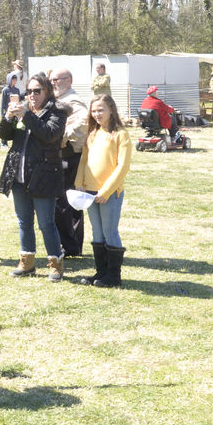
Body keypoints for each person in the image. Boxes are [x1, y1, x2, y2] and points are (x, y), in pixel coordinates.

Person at [0, 73, 67, 282]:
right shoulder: (24, 110)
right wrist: (9, 117)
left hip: (43, 176)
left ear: (47, 91)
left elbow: (49, 134)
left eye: (37, 91)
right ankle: (27, 263)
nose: (32, 95)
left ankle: (56, 264)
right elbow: (4, 135)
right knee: (24, 221)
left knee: (46, 223)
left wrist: (26, 116)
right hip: (19, 175)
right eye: (29, 91)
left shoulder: (57, 111)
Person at [74, 94, 132, 288]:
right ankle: (101, 272)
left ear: (111, 110)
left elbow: (122, 167)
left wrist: (105, 192)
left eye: (101, 110)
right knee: (97, 232)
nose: (97, 114)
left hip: (109, 194)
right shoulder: (93, 133)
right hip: (90, 193)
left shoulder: (121, 135)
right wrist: (79, 183)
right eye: (94, 110)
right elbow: (84, 161)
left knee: (109, 231)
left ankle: (114, 277)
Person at [49, 67, 89, 258]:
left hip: (70, 155)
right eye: (51, 80)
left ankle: (70, 245)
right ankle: (72, 245)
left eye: (57, 79)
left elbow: (84, 121)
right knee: (68, 201)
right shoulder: (61, 99)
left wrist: (62, 136)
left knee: (64, 202)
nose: (53, 83)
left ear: (69, 80)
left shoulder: (72, 100)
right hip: (64, 155)